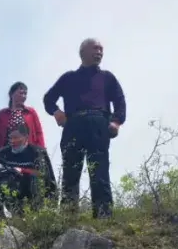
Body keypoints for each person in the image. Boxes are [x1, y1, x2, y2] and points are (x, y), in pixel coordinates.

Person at [42, 38, 126, 218]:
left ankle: (103, 216)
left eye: (101, 49)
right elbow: (48, 99)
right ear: (83, 53)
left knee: (100, 171)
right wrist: (57, 112)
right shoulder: (68, 78)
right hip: (73, 125)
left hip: (98, 125)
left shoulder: (107, 78)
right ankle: (68, 217)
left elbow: (120, 101)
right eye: (95, 48)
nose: (99, 52)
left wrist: (116, 121)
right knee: (70, 172)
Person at [0, 123, 51, 218]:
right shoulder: (1, 153)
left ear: (26, 137)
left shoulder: (37, 152)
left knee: (36, 179)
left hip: (29, 192)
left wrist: (21, 170)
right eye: (11, 138)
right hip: (8, 190)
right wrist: (6, 170)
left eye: (16, 138)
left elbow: (43, 174)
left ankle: (35, 215)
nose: (13, 141)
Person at [0, 82, 46, 152]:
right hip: (7, 154)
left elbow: (39, 133)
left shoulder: (31, 112)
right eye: (21, 93)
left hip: (28, 153)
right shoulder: (1, 114)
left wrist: (42, 152)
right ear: (12, 94)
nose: (23, 96)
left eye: (25, 94)